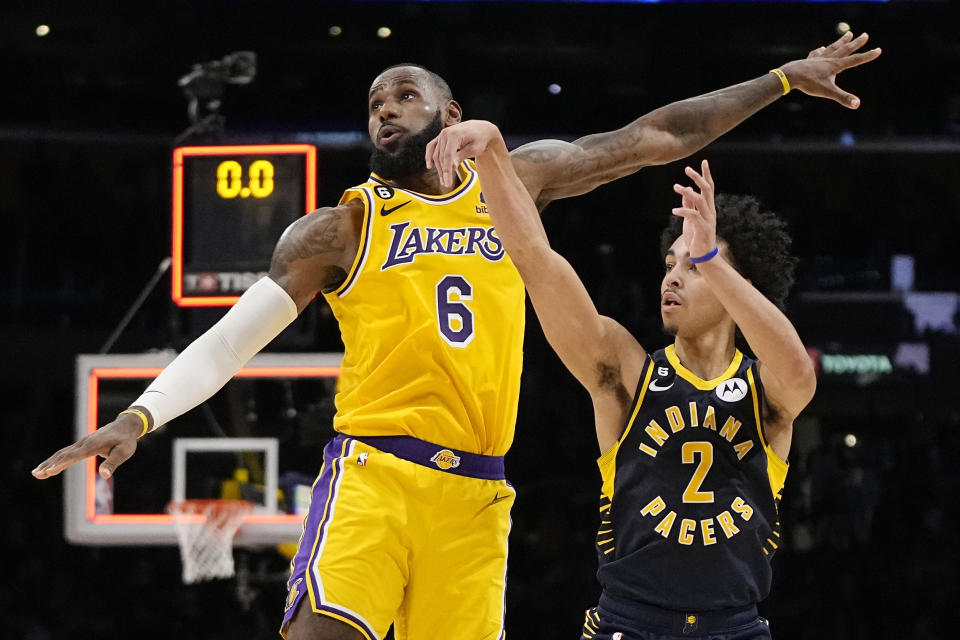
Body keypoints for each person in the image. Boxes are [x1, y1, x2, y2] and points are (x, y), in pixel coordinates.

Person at [33, 31, 876, 640]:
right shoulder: (341, 228)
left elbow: (656, 138)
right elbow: (229, 343)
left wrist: (780, 79)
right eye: (374, 103)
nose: (386, 109)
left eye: (404, 94)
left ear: (453, 114)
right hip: (374, 474)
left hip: (478, 497)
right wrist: (138, 418)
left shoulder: (519, 180)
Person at [428, 118, 816, 638]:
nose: (673, 275)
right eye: (670, 263)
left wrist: (712, 261)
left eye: (693, 266)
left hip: (736, 626)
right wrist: (497, 154)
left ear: (741, 286)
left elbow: (797, 369)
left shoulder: (765, 393)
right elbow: (535, 261)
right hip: (629, 622)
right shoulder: (628, 370)